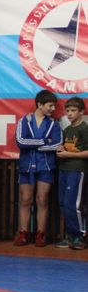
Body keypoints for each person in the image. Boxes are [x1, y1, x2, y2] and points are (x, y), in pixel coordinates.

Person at [14, 89, 62, 247]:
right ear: (40, 105)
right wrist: (43, 141)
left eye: (54, 106)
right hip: (26, 165)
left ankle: (41, 234)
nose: (53, 109)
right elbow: (21, 141)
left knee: (42, 199)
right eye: (50, 105)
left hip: (46, 165)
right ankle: (23, 233)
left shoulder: (54, 124)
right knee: (25, 199)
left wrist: (35, 144)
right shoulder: (24, 121)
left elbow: (57, 145)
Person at [55, 97, 88, 250]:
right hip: (64, 169)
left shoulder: (84, 128)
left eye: (73, 110)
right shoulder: (68, 129)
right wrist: (61, 151)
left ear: (82, 112)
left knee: (74, 204)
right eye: (67, 111)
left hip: (77, 169)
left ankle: (80, 236)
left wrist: (69, 155)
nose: (69, 114)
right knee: (63, 202)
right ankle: (70, 235)